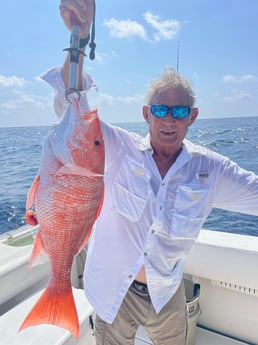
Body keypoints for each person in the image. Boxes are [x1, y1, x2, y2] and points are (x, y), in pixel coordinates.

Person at [41, 1, 258, 344]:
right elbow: (72, 101)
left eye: (179, 110)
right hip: (112, 291)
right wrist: (78, 39)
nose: (169, 119)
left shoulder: (211, 169)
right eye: (160, 109)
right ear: (146, 114)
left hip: (165, 290)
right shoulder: (116, 147)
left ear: (193, 116)